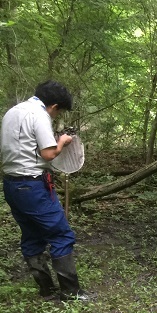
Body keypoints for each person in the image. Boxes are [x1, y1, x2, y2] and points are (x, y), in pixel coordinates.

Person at [1, 80, 87, 300]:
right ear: (54, 106)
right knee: (61, 234)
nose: (56, 117)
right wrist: (63, 142)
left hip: (11, 183)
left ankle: (46, 289)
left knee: (31, 236)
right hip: (33, 185)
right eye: (58, 113)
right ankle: (70, 292)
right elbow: (48, 154)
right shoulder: (39, 114)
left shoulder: (13, 112)